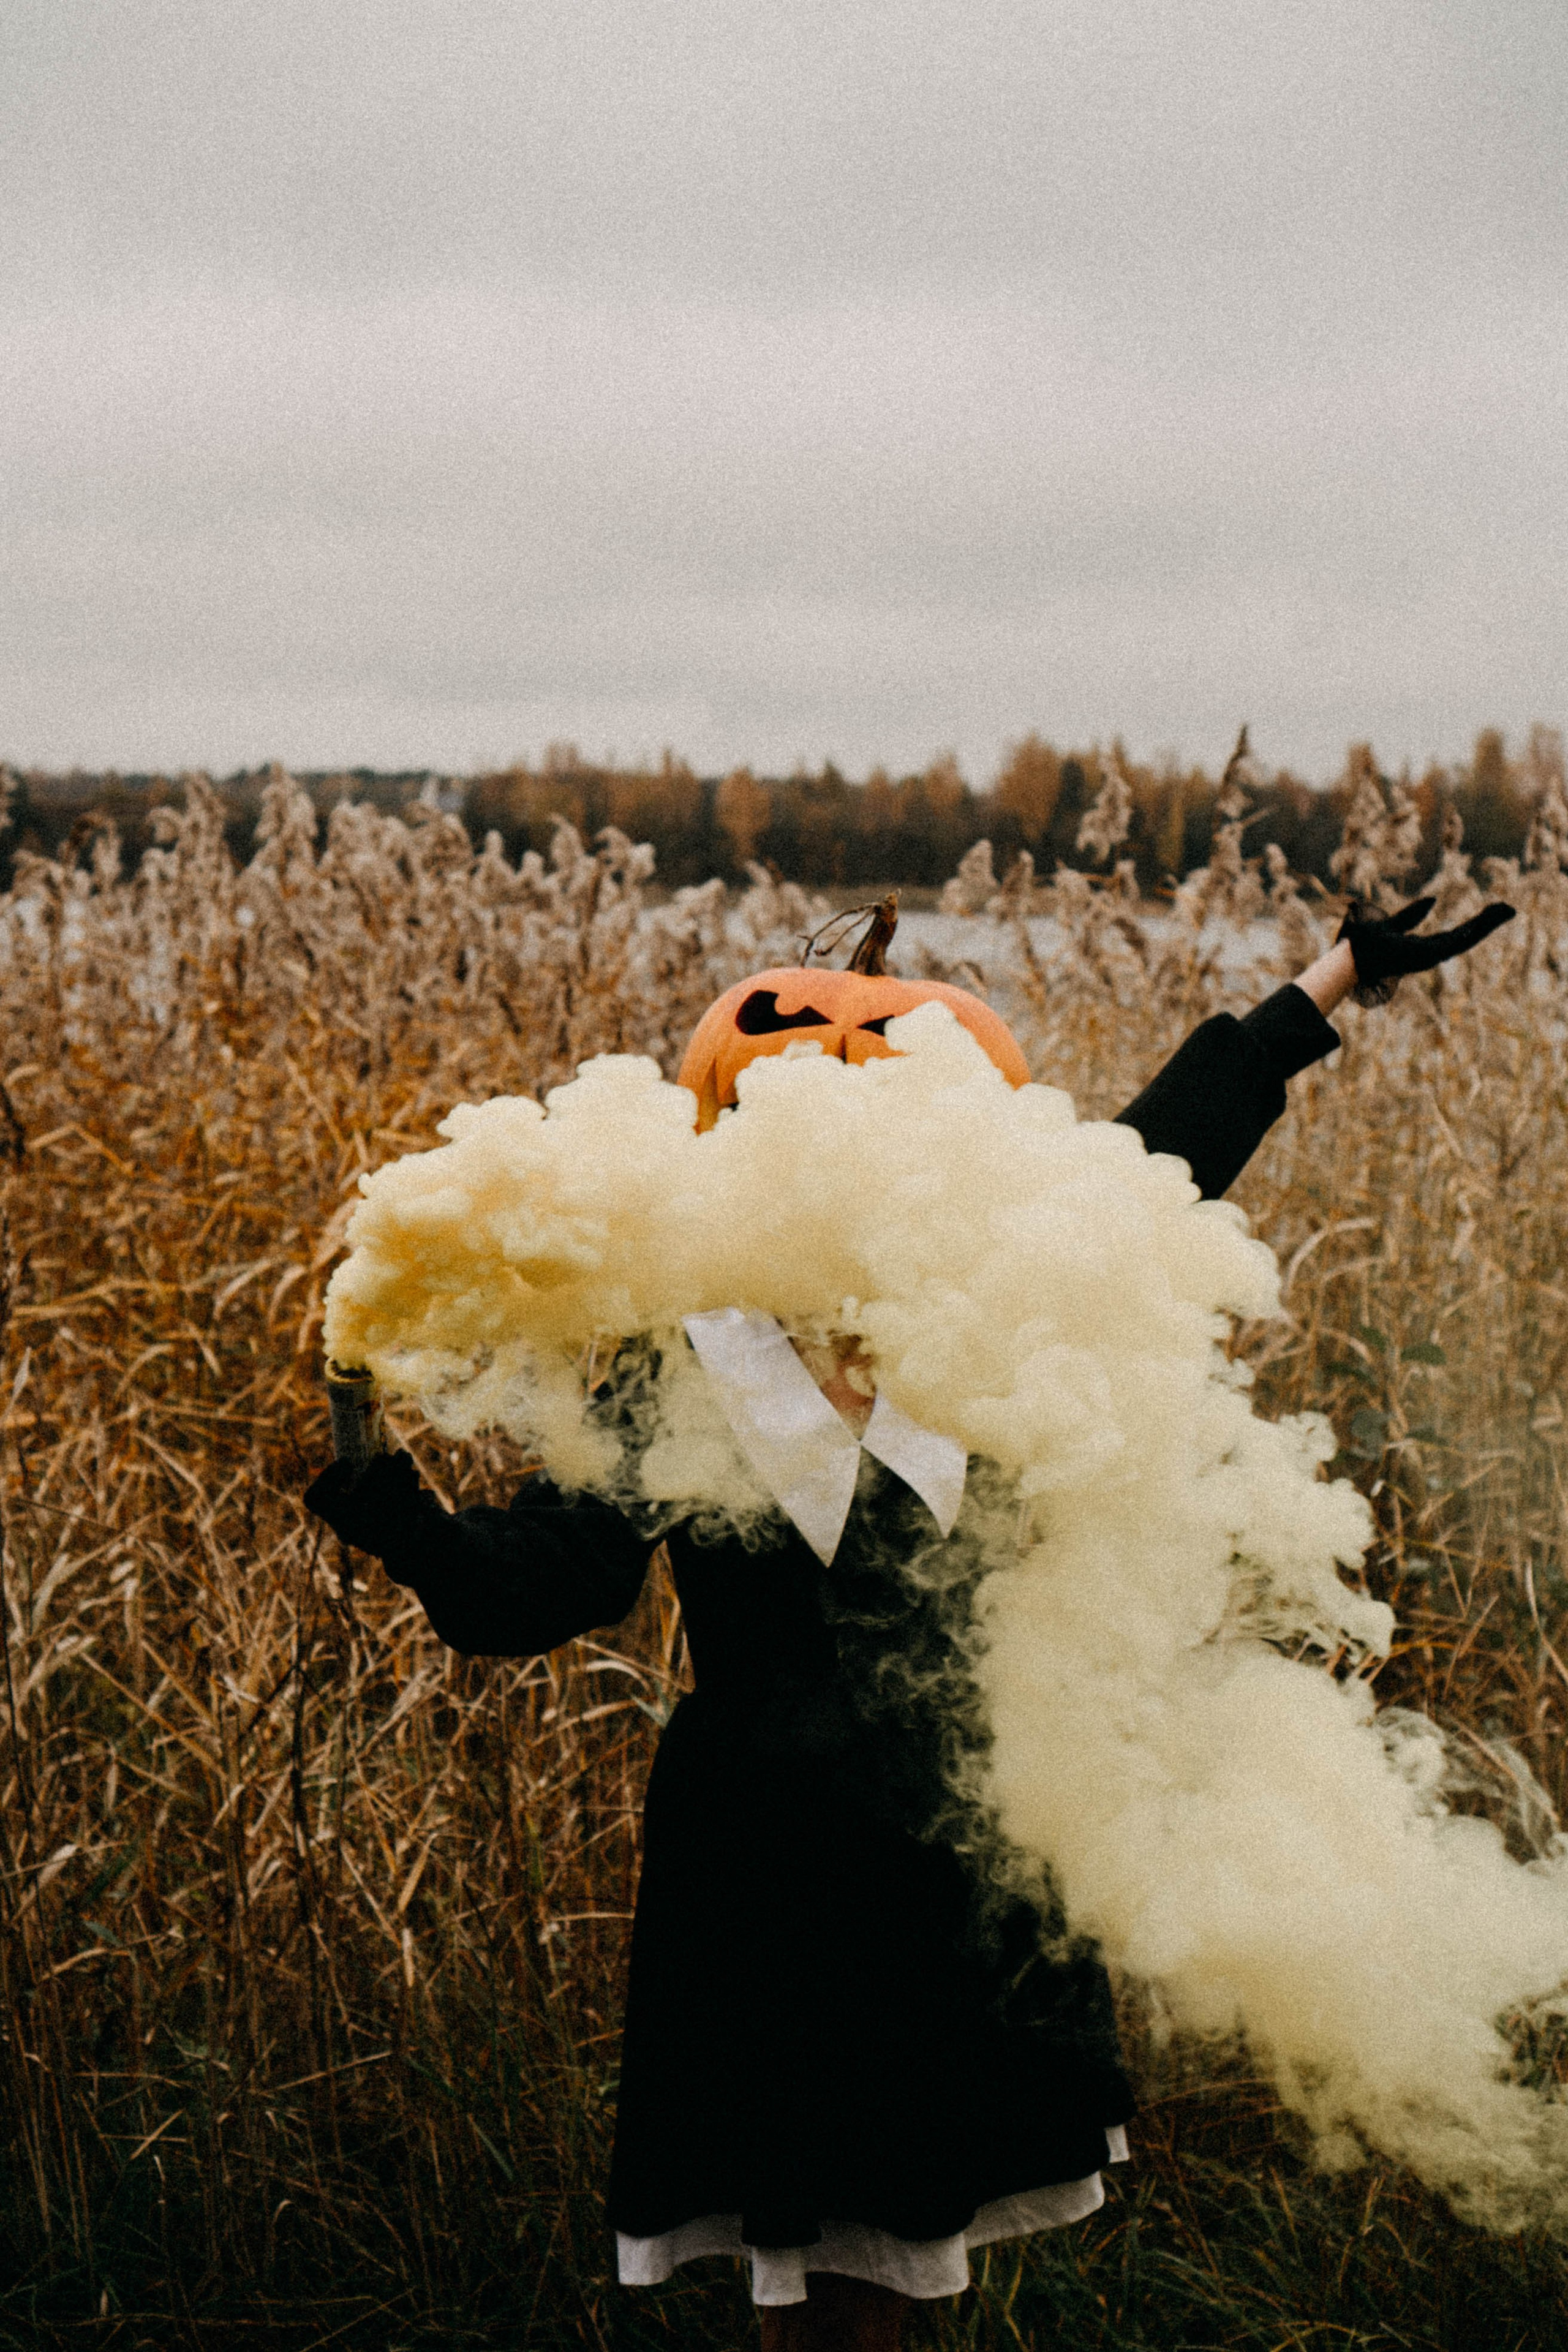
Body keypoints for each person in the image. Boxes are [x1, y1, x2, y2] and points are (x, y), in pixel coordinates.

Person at [305, 897, 1511, 2352]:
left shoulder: (993, 1317)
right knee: (799, 2268)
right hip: (764, 1864)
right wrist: (386, 1489)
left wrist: (1330, 982)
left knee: (907, 2261)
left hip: (959, 1846)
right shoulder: (684, 1359)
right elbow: (551, 1581)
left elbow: (1161, 1155)